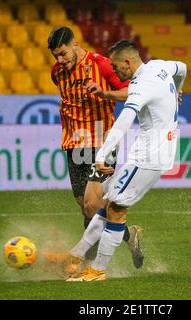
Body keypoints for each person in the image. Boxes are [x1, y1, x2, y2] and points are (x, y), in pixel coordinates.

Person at [60, 40, 187, 282]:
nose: (115, 73)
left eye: (117, 68)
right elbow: (182, 68)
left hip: (149, 156)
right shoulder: (160, 66)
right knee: (107, 204)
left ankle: (97, 270)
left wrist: (101, 154)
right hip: (156, 151)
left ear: (128, 63)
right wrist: (178, 92)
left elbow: (124, 121)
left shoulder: (141, 85)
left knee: (117, 209)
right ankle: (76, 254)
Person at [45, 26, 144, 268]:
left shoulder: (100, 64)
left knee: (92, 204)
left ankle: (84, 261)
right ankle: (130, 236)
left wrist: (105, 93)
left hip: (102, 142)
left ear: (74, 44)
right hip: (74, 144)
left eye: (63, 53)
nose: (60, 60)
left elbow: (131, 90)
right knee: (87, 208)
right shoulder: (57, 72)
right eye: (56, 55)